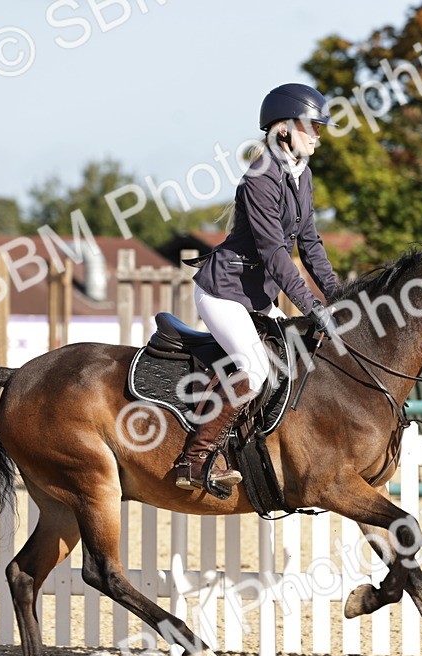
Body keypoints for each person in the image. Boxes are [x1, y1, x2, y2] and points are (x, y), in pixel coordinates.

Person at [173, 83, 341, 492]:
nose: (318, 135)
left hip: (259, 297)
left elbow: (310, 243)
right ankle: (194, 460)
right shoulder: (259, 179)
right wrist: (308, 304)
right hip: (225, 293)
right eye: (312, 127)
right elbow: (273, 254)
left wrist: (337, 295)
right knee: (256, 368)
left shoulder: (302, 176)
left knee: (300, 359)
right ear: (284, 130)